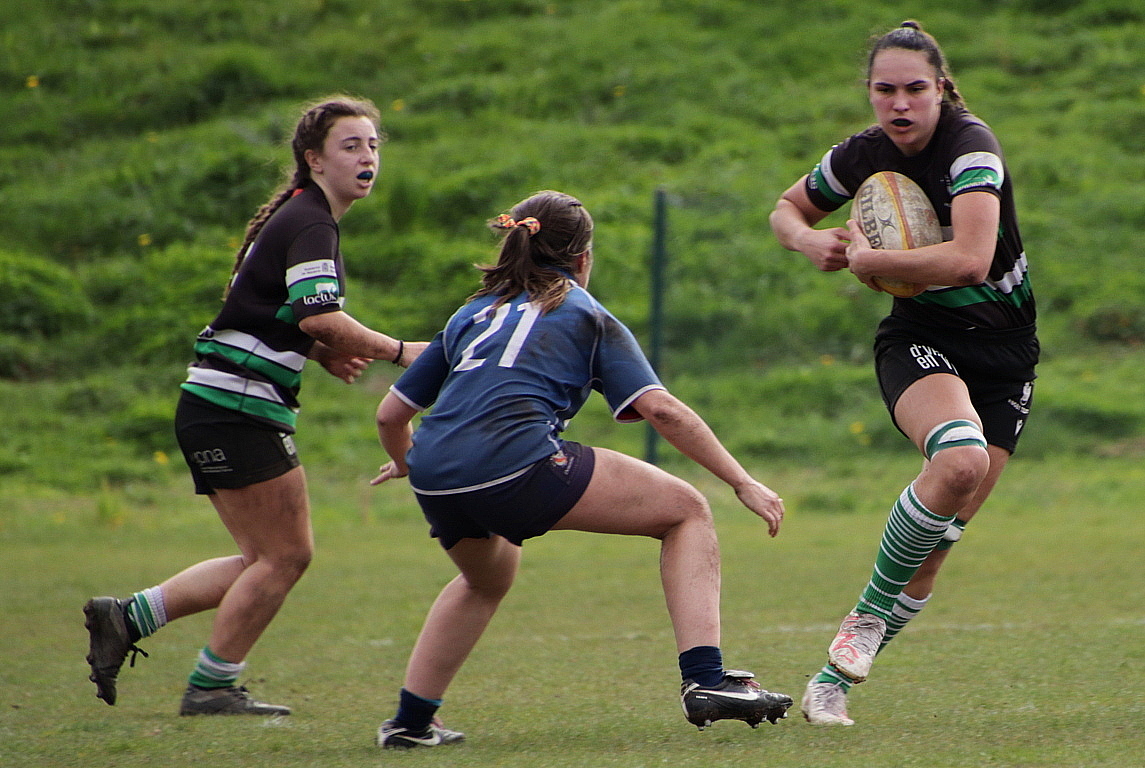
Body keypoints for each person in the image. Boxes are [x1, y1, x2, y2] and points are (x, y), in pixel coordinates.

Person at [368, 190, 793, 748]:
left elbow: (390, 414)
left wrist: (408, 463)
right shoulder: (583, 311)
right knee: (687, 511)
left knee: (486, 578)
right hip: (517, 465)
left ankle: (410, 723)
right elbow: (661, 409)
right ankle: (707, 679)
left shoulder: (471, 312)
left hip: (436, 476)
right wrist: (742, 480)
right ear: (583, 258)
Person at [84, 95, 427, 716]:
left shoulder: (304, 216)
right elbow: (318, 312)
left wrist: (318, 352)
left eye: (373, 144)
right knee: (286, 556)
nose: (367, 156)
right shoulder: (312, 221)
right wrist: (402, 351)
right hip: (234, 409)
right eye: (350, 146)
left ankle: (127, 617)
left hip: (221, 405)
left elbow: (274, 309)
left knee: (264, 558)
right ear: (313, 160)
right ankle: (212, 687)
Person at [769, 20, 1038, 726]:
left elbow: (970, 260)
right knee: (957, 464)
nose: (899, 104)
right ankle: (861, 619)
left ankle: (832, 680)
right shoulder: (861, 155)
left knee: (933, 552)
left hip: (1006, 355)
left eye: (914, 89)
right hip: (921, 340)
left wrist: (871, 261)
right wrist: (807, 241)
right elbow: (787, 206)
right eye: (884, 89)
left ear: (941, 90)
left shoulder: (970, 148)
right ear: (869, 93)